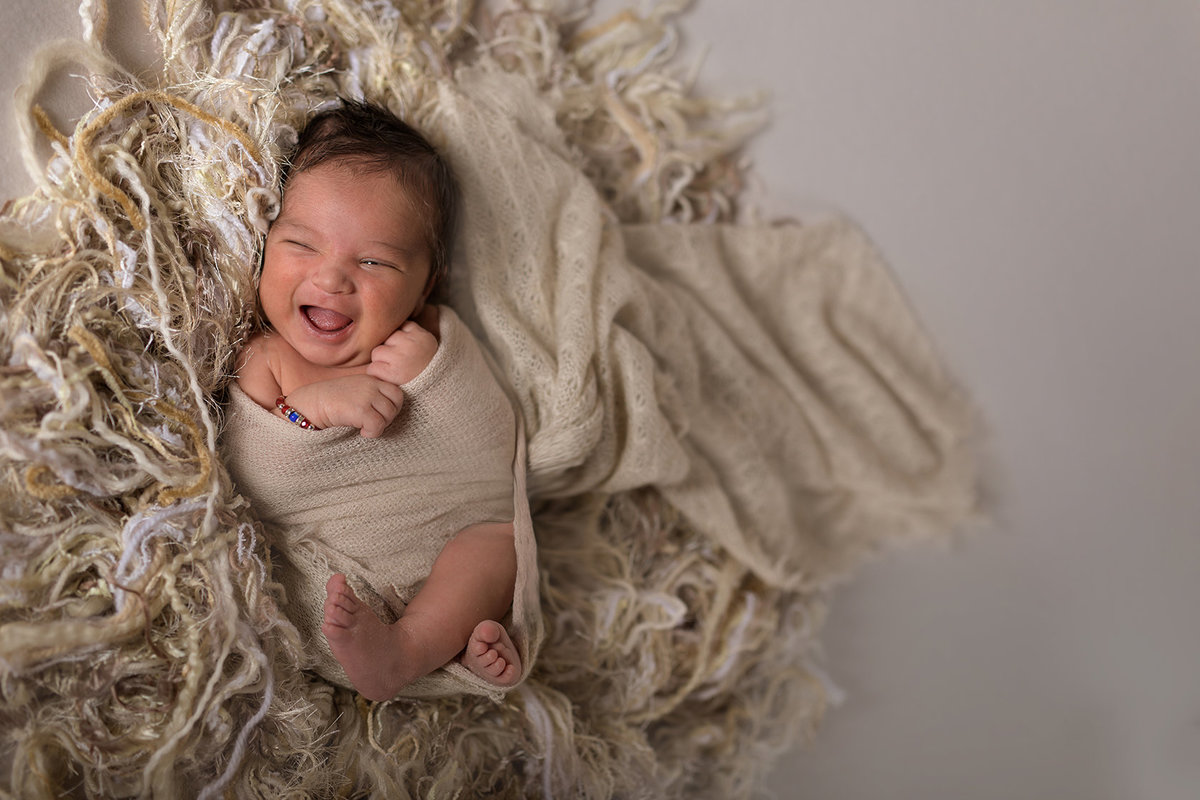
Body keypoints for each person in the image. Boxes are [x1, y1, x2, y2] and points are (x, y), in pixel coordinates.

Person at [221, 100, 536, 702]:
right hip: (335, 573)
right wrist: (314, 408)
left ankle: (417, 643)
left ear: (427, 284)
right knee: (301, 588)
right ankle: (413, 645)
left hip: (444, 546)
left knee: (501, 545)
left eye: (374, 261)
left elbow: (492, 453)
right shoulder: (268, 358)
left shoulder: (431, 338)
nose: (333, 278)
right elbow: (250, 480)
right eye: (302, 245)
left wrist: (439, 377)